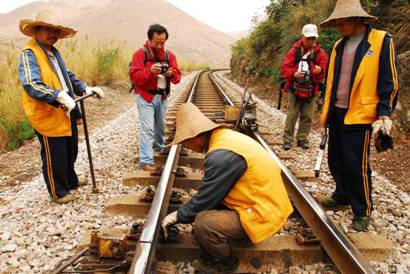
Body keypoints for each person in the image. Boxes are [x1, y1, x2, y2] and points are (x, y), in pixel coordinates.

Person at [161, 103, 293, 274]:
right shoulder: (224, 138)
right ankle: (229, 235)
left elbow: (206, 199)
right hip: (262, 202)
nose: (186, 146)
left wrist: (177, 216)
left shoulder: (221, 155)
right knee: (203, 218)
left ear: (196, 135)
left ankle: (223, 262)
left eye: (186, 141)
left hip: (262, 212)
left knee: (203, 223)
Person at [319, 0, 399, 231]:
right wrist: (325, 109)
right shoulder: (338, 46)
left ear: (357, 19)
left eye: (341, 21)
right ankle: (342, 194)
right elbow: (332, 81)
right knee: (336, 159)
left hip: (362, 113)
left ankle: (362, 210)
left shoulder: (381, 40)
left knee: (356, 165)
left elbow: (389, 80)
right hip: (337, 113)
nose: (338, 26)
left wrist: (384, 113)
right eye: (336, 22)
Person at [18, 11, 105, 204]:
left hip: (67, 110)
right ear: (37, 30)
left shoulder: (53, 52)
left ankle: (71, 181)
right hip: (48, 112)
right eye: (48, 29)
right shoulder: (29, 53)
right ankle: (58, 191)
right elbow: (31, 83)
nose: (53, 34)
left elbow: (67, 75)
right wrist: (56, 95)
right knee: (54, 154)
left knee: (70, 149)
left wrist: (85, 87)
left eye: (56, 31)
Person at [129, 24, 181, 172]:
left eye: (162, 43)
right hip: (145, 97)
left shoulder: (169, 56)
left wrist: (171, 74)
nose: (159, 46)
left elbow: (178, 77)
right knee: (148, 129)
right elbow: (135, 77)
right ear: (149, 39)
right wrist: (149, 71)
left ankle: (159, 146)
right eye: (156, 42)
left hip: (162, 96)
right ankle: (145, 161)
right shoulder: (140, 54)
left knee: (160, 126)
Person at [281, 24, 328, 150]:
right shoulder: (294, 51)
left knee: (307, 116)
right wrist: (294, 74)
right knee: (292, 115)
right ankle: (287, 139)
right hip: (295, 89)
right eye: (308, 38)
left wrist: (320, 72)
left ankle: (302, 139)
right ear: (302, 37)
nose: (311, 41)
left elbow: (325, 71)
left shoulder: (320, 53)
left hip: (311, 90)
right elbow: (285, 68)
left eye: (313, 38)